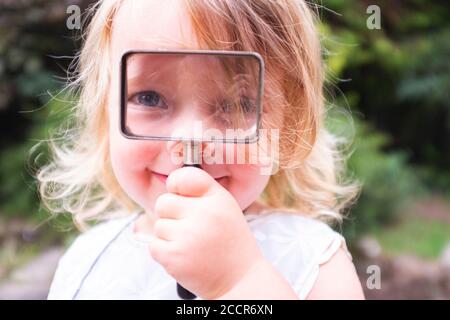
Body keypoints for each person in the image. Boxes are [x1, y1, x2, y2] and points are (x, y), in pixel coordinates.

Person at [39, 0, 364, 299]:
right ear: (104, 111)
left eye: (238, 104)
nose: (189, 140)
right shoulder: (87, 259)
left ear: (287, 124)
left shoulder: (314, 260)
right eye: (149, 98)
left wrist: (240, 280)